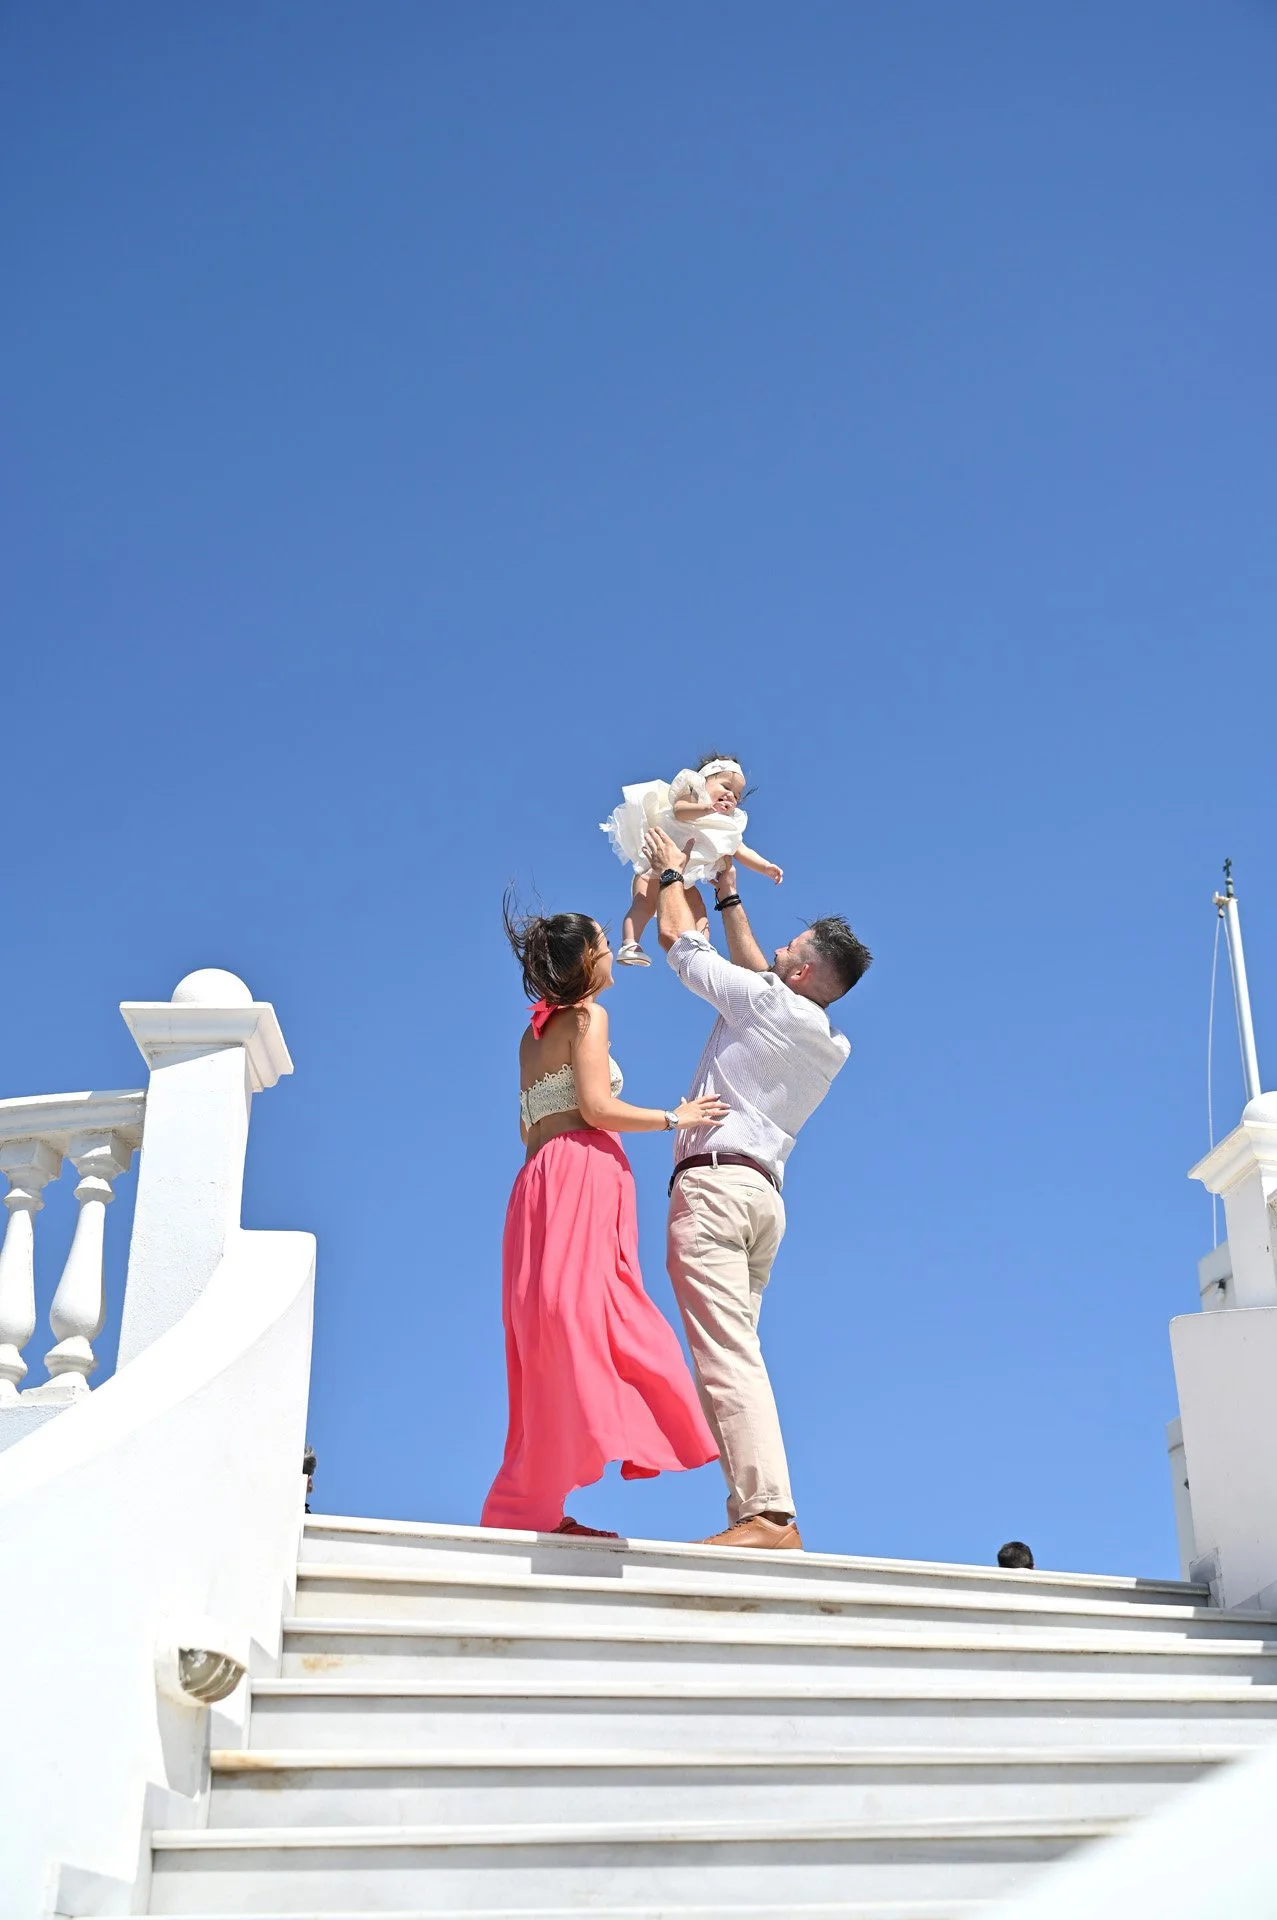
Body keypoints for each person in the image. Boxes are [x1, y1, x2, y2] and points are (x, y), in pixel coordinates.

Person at [644, 823, 873, 1551]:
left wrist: (672, 874)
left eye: (787, 951)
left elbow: (685, 951)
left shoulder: (767, 1003)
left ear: (801, 975)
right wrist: (729, 893)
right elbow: (762, 976)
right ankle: (759, 1506)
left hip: (714, 1190)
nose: (774, 953)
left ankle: (768, 1516)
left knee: (726, 1353)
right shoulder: (827, 1039)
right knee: (736, 1351)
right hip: (763, 1200)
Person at [481, 899, 728, 1537]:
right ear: (586, 960)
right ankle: (656, 1423)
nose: (610, 949)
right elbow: (594, 1107)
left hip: (537, 1183)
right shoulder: (589, 1017)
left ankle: (532, 1505)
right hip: (581, 1174)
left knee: (548, 1330)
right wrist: (678, 1117)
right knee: (601, 1313)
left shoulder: (531, 1035)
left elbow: (527, 1126)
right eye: (602, 941)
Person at [600, 754, 784, 967]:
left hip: (684, 879)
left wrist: (765, 867)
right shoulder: (693, 795)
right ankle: (630, 944)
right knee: (644, 903)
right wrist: (704, 809)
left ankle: (702, 950)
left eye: (736, 794)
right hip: (655, 868)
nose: (730, 795)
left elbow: (741, 850)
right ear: (704, 782)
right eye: (725, 786)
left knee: (698, 908)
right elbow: (679, 812)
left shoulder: (727, 825)